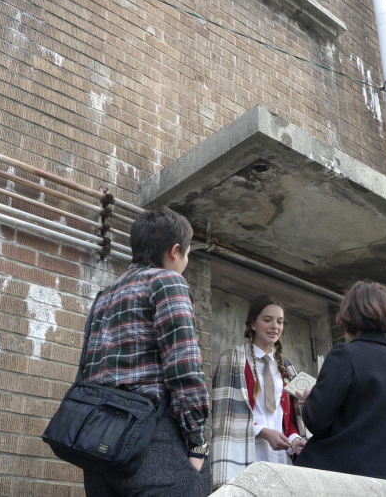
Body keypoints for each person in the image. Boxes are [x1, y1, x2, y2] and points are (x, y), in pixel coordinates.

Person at [81, 207, 210, 497]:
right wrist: (197, 443)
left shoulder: (104, 296)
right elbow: (184, 367)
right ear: (175, 251)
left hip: (99, 446)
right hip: (154, 441)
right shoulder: (167, 281)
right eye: (188, 254)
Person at [294, 281, 386, 485]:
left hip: (349, 477)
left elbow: (316, 421)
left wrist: (310, 399)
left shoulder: (346, 355)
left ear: (350, 313)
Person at [211, 295, 307, 490]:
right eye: (268, 320)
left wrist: (295, 440)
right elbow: (225, 415)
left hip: (282, 461)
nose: (275, 326)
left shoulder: (287, 368)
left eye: (280, 321)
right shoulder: (232, 360)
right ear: (253, 324)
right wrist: (263, 432)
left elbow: (290, 419)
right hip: (246, 458)